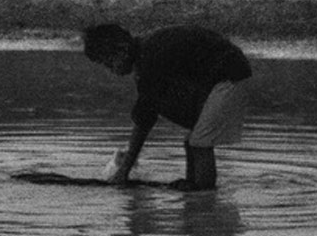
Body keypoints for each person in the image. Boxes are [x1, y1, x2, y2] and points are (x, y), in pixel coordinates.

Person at [82, 22, 251, 191]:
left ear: (122, 50)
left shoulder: (150, 59)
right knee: (193, 141)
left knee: (200, 144)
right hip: (215, 78)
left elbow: (145, 118)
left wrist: (125, 169)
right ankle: (193, 188)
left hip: (230, 77)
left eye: (109, 62)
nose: (111, 69)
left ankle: (204, 193)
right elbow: (149, 108)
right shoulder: (146, 54)